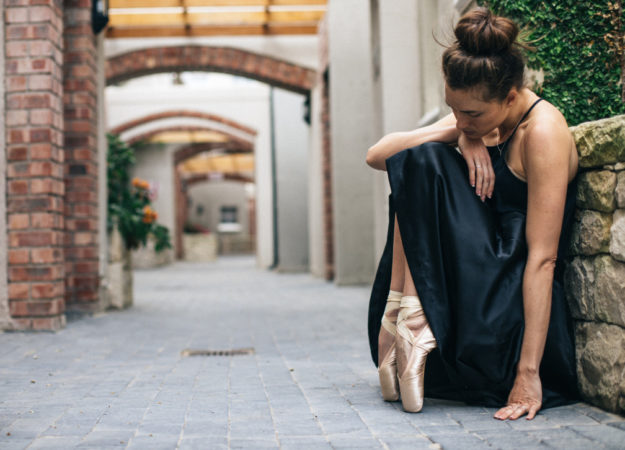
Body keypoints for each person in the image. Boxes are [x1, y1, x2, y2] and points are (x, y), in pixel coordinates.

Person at [365, 7, 579, 420]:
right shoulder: (477, 113)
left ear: (511, 96)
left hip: (508, 304)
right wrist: (460, 134)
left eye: (472, 114)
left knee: (426, 162)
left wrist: (529, 373)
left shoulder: (544, 133)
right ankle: (404, 311)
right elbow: (378, 156)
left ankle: (412, 317)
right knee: (423, 161)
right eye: (454, 108)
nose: (463, 119)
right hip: (474, 287)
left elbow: (543, 259)